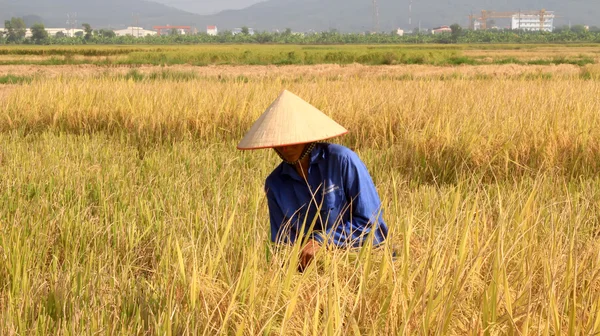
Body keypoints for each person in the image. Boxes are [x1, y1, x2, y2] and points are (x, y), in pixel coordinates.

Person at [237, 90, 388, 271]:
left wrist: (322, 241)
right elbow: (283, 243)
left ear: (306, 135)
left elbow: (372, 225)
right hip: (312, 272)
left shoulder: (342, 161)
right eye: (279, 141)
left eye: (291, 139)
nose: (285, 147)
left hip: (363, 263)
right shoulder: (275, 184)